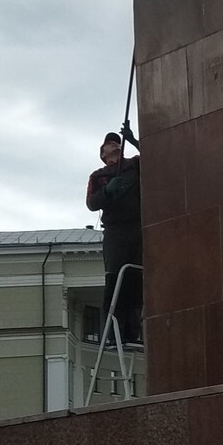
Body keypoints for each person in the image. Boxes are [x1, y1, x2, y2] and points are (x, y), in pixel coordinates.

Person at [86, 131, 143, 346]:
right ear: (103, 154)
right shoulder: (98, 176)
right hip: (115, 231)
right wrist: (107, 191)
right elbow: (91, 203)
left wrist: (133, 140)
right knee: (115, 280)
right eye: (110, 143)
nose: (115, 144)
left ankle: (132, 333)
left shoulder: (134, 165)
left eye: (117, 142)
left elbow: (154, 156)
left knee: (135, 280)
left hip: (136, 227)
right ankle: (114, 333)